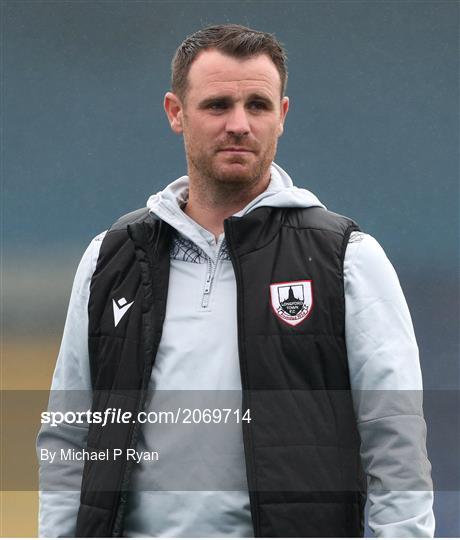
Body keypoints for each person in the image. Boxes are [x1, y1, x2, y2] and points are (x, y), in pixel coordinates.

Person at [37, 24, 435, 537]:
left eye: (258, 106)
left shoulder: (348, 260)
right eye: (218, 105)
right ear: (176, 113)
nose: (239, 124)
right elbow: (69, 435)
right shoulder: (108, 259)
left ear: (282, 117)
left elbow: (395, 442)